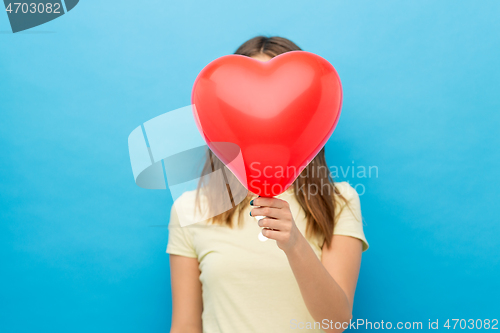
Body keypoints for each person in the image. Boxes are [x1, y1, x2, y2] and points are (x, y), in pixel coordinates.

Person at [167, 36, 369, 333]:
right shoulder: (190, 208)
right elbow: (185, 326)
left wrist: (295, 245)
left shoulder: (339, 201)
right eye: (248, 104)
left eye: (281, 103)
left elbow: (335, 322)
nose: (265, 116)